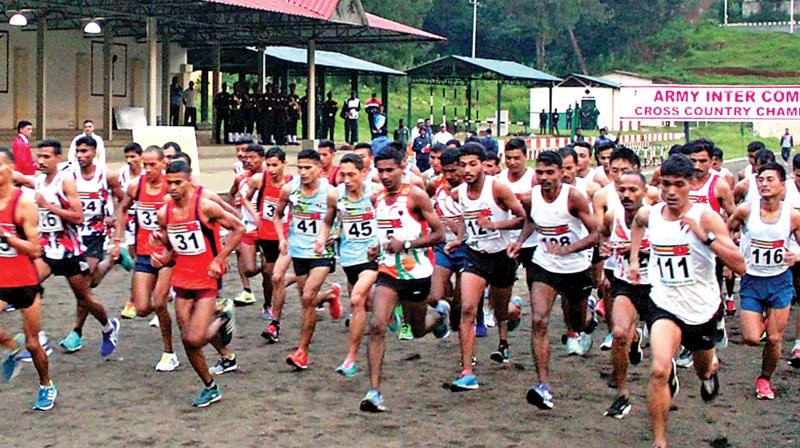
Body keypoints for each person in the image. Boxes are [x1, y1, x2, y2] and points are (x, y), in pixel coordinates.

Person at [628, 154, 745, 448]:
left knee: (703, 366)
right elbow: (637, 223)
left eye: (678, 185)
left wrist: (704, 238)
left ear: (691, 184)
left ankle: (708, 372)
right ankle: (659, 440)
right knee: (658, 370)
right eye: (665, 184)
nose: (670, 191)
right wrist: (632, 259)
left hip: (702, 309)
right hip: (664, 304)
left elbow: (741, 265)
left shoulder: (706, 216)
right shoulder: (652, 213)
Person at [508, 150, 600, 409]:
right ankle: (543, 385)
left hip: (576, 267)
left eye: (551, 172)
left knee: (577, 322)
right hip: (545, 265)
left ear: (562, 173)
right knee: (539, 320)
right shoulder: (531, 197)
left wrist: (569, 249)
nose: (545, 177)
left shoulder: (574, 198)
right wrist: (519, 242)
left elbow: (596, 234)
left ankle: (587, 316)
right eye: (540, 172)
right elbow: (531, 221)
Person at [359, 145, 447, 412]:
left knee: (417, 329)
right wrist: (376, 247)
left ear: (402, 168)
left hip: (417, 273)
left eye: (390, 170)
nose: (384, 175)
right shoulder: (378, 200)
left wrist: (407, 244)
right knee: (376, 325)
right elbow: (384, 234)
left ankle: (439, 318)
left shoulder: (416, 196)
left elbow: (439, 234)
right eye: (380, 170)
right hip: (388, 272)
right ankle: (374, 392)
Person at [150, 159, 244, 407]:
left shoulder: (205, 207)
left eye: (178, 183)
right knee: (187, 337)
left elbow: (238, 228)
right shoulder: (164, 213)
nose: (172, 188)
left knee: (193, 339)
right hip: (182, 278)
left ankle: (222, 316)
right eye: (168, 183)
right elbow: (173, 248)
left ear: (190, 181)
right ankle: (210, 387)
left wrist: (220, 258)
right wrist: (162, 254)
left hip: (207, 278)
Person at [450, 142, 526, 390]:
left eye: (473, 164)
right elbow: (466, 220)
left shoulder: (498, 189)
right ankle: (467, 370)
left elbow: (522, 218)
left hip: (502, 256)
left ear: (483, 164)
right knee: (468, 308)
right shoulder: (460, 192)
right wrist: (460, 239)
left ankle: (503, 342)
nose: (468, 170)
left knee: (500, 308)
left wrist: (496, 225)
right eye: (463, 165)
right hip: (476, 255)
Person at [33, 139, 120, 356]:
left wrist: (115, 220)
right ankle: (38, 337)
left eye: (46, 157)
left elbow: (80, 216)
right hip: (50, 246)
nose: (41, 161)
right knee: (27, 285)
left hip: (81, 243)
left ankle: (106, 327)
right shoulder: (40, 181)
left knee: (85, 295)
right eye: (39, 156)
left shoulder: (99, 176)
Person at [727, 162, 800, 400]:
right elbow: (725, 233)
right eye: (761, 180)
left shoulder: (792, 216)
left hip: (779, 281)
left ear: (782, 184)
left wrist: (796, 255)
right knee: (750, 336)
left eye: (770, 180)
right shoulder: (746, 211)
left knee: (775, 337)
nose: (764, 184)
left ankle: (764, 379)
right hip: (752, 280)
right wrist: (731, 258)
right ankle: (765, 320)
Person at [110, 146, 178, 371]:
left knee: (159, 302)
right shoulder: (136, 185)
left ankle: (169, 352)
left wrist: (168, 242)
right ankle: (168, 297)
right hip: (144, 252)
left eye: (152, 165)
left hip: (168, 254)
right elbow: (123, 208)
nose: (147, 169)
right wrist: (118, 239)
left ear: (163, 165)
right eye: (145, 165)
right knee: (141, 308)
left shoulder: (172, 188)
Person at [274, 149, 342, 370]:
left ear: (319, 169)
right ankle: (331, 295)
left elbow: (344, 217)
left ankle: (302, 351)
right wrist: (281, 237)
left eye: (308, 168)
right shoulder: (289, 189)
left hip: (322, 253)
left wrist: (336, 235)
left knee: (308, 296)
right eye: (299, 168)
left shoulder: (330, 193)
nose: (303, 172)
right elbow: (277, 214)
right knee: (308, 300)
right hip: (299, 251)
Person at [0, 146, 56, 410]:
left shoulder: (23, 204)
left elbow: (35, 249)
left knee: (34, 344)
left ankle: (46, 384)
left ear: (10, 169)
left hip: (24, 282)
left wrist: (8, 238)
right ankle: (12, 347)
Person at [600, 171, 651, 418]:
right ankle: (622, 394)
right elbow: (601, 239)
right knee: (619, 333)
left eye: (633, 190)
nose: (627, 195)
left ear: (645, 191)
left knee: (667, 354)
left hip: (657, 287)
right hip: (625, 284)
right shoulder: (612, 215)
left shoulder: (657, 217)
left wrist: (636, 250)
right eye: (622, 190)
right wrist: (604, 251)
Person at [333, 153, 380, 377]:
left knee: (356, 299)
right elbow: (328, 221)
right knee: (366, 303)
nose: (346, 179)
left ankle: (351, 358)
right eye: (343, 174)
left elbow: (390, 221)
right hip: (349, 258)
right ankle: (387, 314)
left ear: (363, 173)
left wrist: (380, 243)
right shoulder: (337, 195)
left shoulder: (375, 194)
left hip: (371, 258)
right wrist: (325, 237)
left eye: (351, 174)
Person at [247, 147, 293, 340]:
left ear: (284, 164)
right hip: (266, 234)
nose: (272, 169)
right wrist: (255, 214)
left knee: (276, 277)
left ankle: (274, 324)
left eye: (275, 165)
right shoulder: (260, 180)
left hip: (286, 237)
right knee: (269, 274)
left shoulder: (292, 184)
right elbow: (246, 198)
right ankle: (327, 294)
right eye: (269, 165)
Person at [229, 144, 265, 307]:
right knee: (248, 267)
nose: (246, 159)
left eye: (252, 157)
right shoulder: (241, 177)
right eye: (244, 156)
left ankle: (269, 302)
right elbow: (232, 194)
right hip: (247, 226)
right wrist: (235, 213)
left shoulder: (269, 177)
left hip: (267, 228)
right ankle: (247, 290)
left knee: (269, 268)